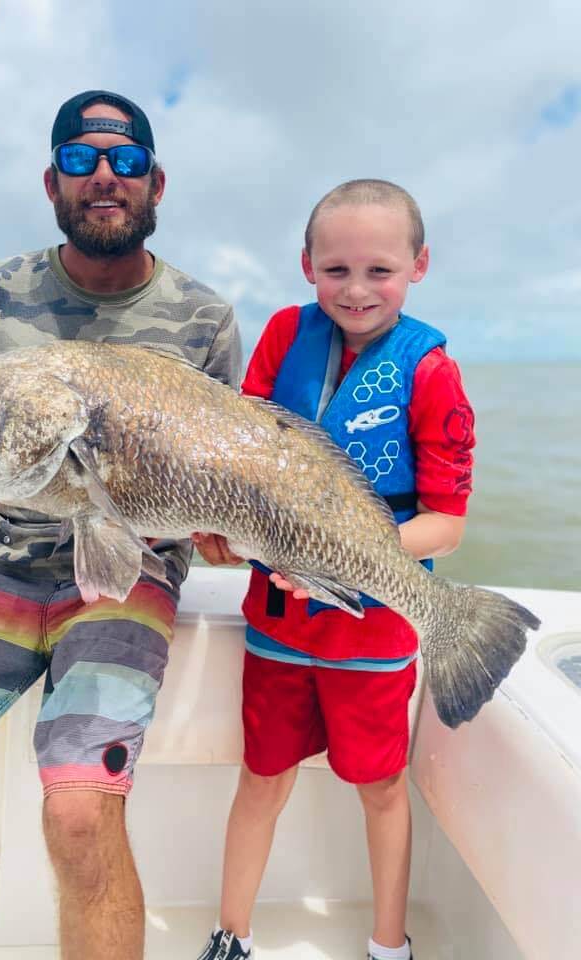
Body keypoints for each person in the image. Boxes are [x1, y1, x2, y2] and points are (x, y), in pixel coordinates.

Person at [0, 89, 241, 960]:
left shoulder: (207, 318)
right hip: (0, 563)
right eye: (81, 159)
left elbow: (220, 463)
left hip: (132, 567)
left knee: (78, 811)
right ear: (51, 181)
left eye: (124, 160)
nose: (104, 176)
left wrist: (219, 529)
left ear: (155, 182)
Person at [193, 179, 475, 960]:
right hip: (276, 624)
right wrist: (217, 525)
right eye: (336, 270)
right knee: (263, 777)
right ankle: (231, 935)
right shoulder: (286, 333)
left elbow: (445, 527)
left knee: (381, 787)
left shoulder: (432, 371)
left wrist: (341, 563)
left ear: (419, 266)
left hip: (376, 632)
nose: (356, 289)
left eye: (379, 270)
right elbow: (238, 452)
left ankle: (389, 945)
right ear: (307, 267)